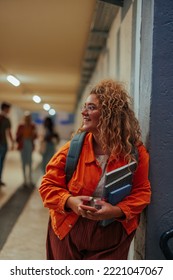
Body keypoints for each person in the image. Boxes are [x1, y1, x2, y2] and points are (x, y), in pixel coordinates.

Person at [39, 79, 151, 260]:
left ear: (110, 115)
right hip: (68, 230)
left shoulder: (135, 153)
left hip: (111, 236)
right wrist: (70, 202)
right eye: (84, 107)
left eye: (91, 108)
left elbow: (142, 192)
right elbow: (47, 186)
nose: (84, 112)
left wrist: (115, 211)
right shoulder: (73, 149)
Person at [16, 111, 37, 186]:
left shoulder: (32, 126)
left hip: (29, 144)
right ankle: (24, 179)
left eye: (29, 118)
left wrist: (33, 135)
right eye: (26, 118)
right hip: (23, 144)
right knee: (23, 162)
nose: (27, 119)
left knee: (30, 162)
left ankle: (30, 179)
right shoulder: (21, 126)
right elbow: (17, 136)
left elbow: (35, 136)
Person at [0, 102, 14, 187]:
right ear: (5, 108)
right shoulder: (6, 119)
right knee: (1, 162)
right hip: (3, 143)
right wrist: (12, 142)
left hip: (2, 143)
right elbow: (9, 132)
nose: (9, 110)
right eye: (8, 109)